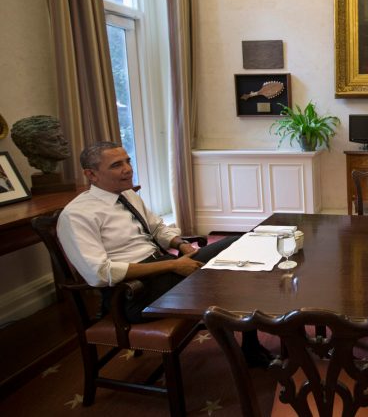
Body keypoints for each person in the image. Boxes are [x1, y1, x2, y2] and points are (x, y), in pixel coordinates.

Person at [57, 141, 272, 365]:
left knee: (239, 244)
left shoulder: (128, 195)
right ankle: (251, 348)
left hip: (163, 270)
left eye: (128, 161)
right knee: (226, 277)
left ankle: (250, 344)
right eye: (116, 165)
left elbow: (158, 229)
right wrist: (172, 265)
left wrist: (182, 245)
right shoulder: (77, 215)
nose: (128, 169)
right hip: (133, 294)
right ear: (91, 174)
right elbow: (99, 273)